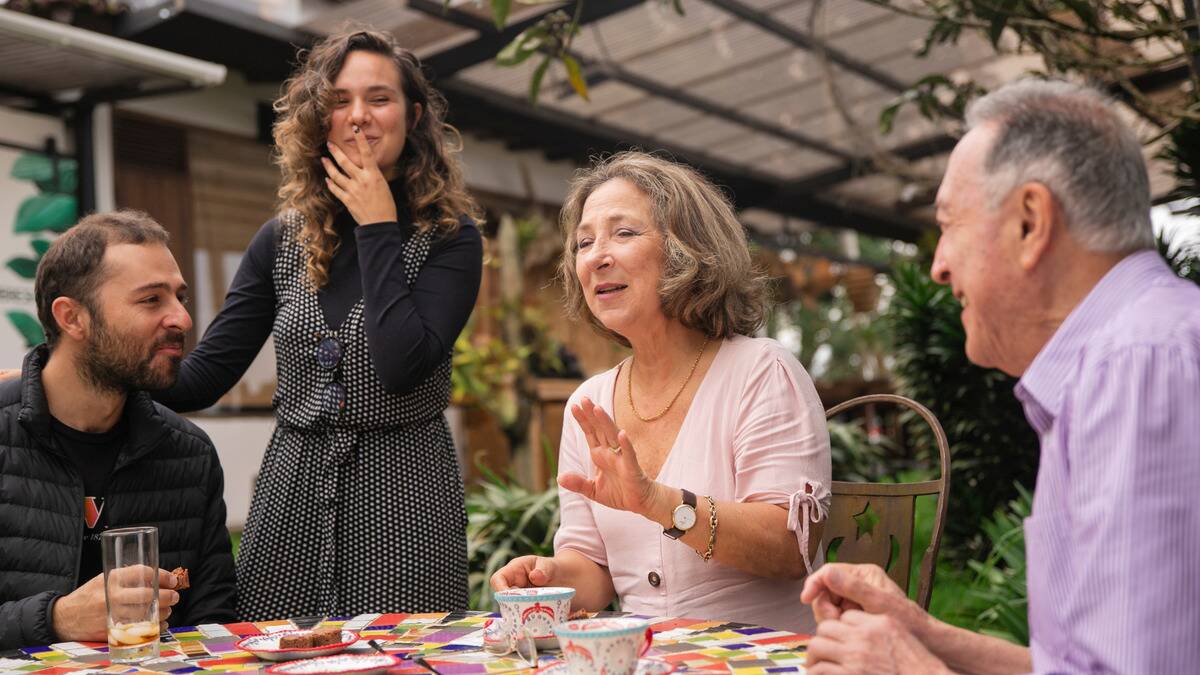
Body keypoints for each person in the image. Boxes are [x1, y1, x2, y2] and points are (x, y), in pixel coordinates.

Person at [801, 79, 1200, 674]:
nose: (938, 267)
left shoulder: (1137, 367)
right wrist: (922, 634)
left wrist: (905, 668)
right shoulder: (1127, 356)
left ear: (1030, 222)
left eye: (950, 225)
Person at [152, 28, 483, 619]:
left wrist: (378, 224)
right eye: (339, 100)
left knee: (403, 657)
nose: (358, 116)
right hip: (291, 494)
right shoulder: (282, 240)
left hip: (404, 495)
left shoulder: (451, 241)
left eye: (379, 99)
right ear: (319, 118)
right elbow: (202, 377)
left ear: (411, 115)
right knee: (275, 652)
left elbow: (402, 364)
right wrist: (77, 371)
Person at [491, 152, 832, 633]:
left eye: (624, 233)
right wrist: (550, 575)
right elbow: (595, 573)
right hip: (643, 659)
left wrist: (658, 502)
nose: (597, 256)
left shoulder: (761, 371)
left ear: (687, 248)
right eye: (584, 242)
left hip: (761, 658)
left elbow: (789, 546)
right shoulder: (588, 404)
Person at [0, 211, 237, 649]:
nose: (182, 319)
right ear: (72, 318)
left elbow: (214, 624)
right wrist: (55, 619)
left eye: (179, 297)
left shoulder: (189, 454)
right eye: (151, 300)